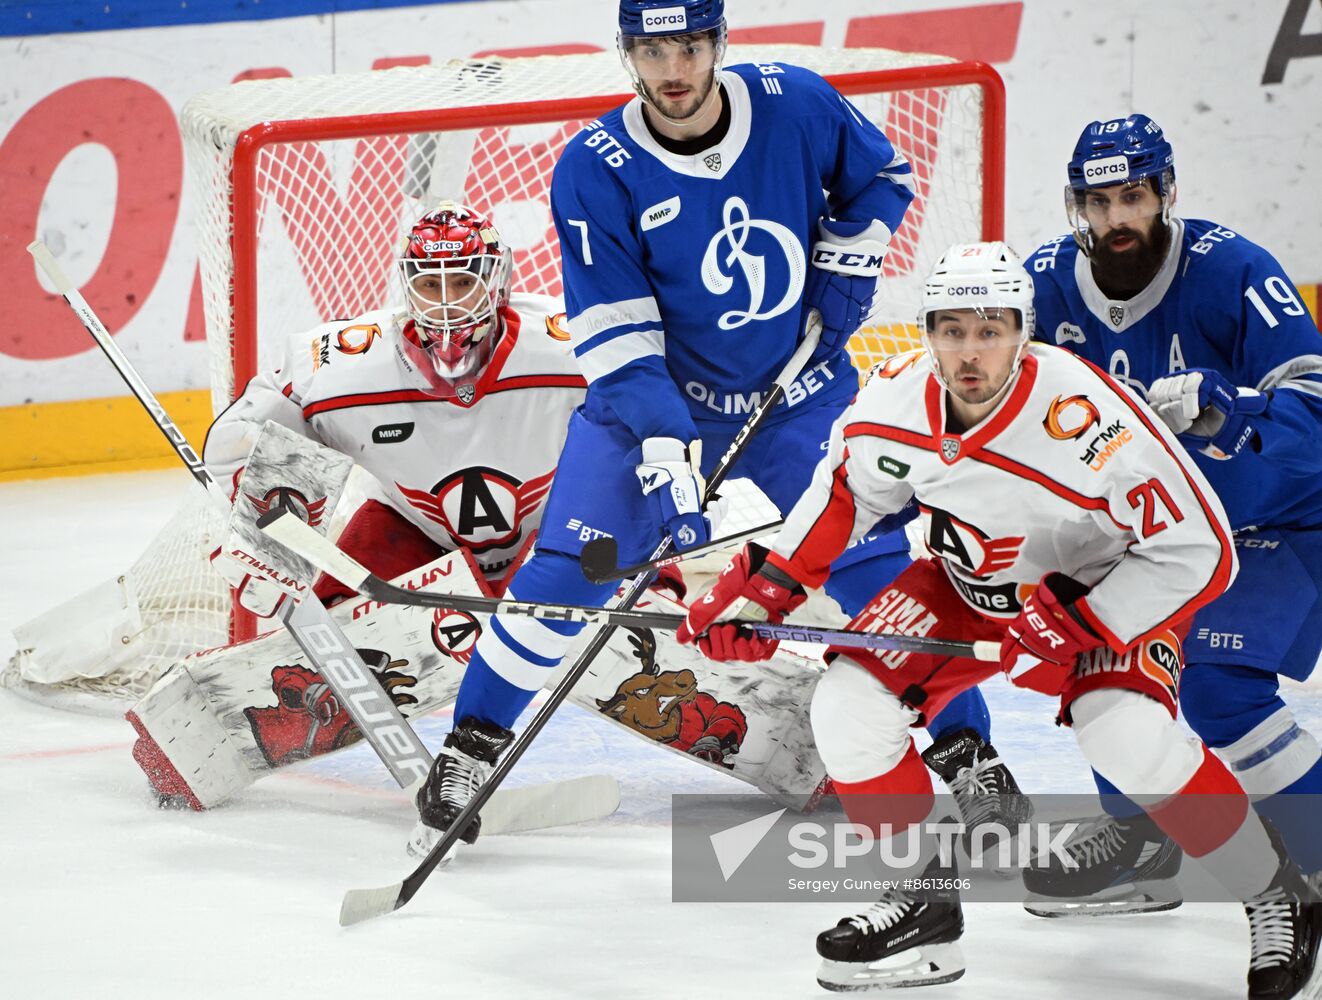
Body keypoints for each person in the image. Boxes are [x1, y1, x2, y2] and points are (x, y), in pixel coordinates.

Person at [406, 0, 1025, 860]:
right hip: (653, 404)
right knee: (561, 579)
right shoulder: (597, 164)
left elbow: (881, 177)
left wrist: (852, 249)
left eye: (689, 46)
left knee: (880, 570)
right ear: (627, 53)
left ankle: (970, 754)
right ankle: (470, 747)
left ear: (719, 44)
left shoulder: (794, 100)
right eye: (652, 49)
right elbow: (618, 332)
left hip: (798, 394)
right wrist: (664, 447)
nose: (674, 69)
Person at [677, 242, 1322, 997]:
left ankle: (1275, 892)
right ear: (927, 334)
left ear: (1025, 330)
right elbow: (848, 497)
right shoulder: (893, 400)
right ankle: (923, 901)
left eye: (991, 330)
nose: (970, 352)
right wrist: (766, 589)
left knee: (1122, 731)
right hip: (968, 582)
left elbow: (1200, 549)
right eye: (951, 330)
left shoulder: (1086, 420)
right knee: (847, 702)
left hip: (1098, 590)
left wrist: (1085, 622)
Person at [1021, 115, 1322, 916]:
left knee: (1219, 688)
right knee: (1099, 656)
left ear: (1166, 193)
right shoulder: (1043, 285)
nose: (1117, 219)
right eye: (1099, 201)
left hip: (1274, 517)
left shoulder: (1234, 270)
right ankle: (1141, 840)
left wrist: (1239, 410)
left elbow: (1316, 412)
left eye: (1133, 197)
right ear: (1075, 205)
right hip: (1156, 530)